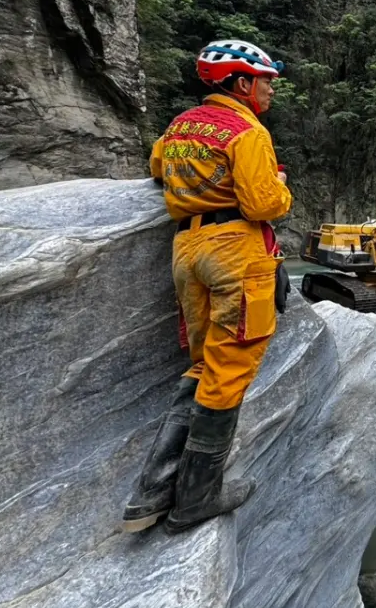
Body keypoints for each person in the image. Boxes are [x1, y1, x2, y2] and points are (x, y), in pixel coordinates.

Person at [122, 39, 293, 535]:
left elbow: (158, 169)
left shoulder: (178, 128)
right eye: (266, 82)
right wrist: (282, 185)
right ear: (242, 84)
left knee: (202, 363)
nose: (270, 91)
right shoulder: (248, 131)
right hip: (234, 253)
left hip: (187, 252)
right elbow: (264, 204)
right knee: (230, 367)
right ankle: (195, 497)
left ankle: (151, 491)